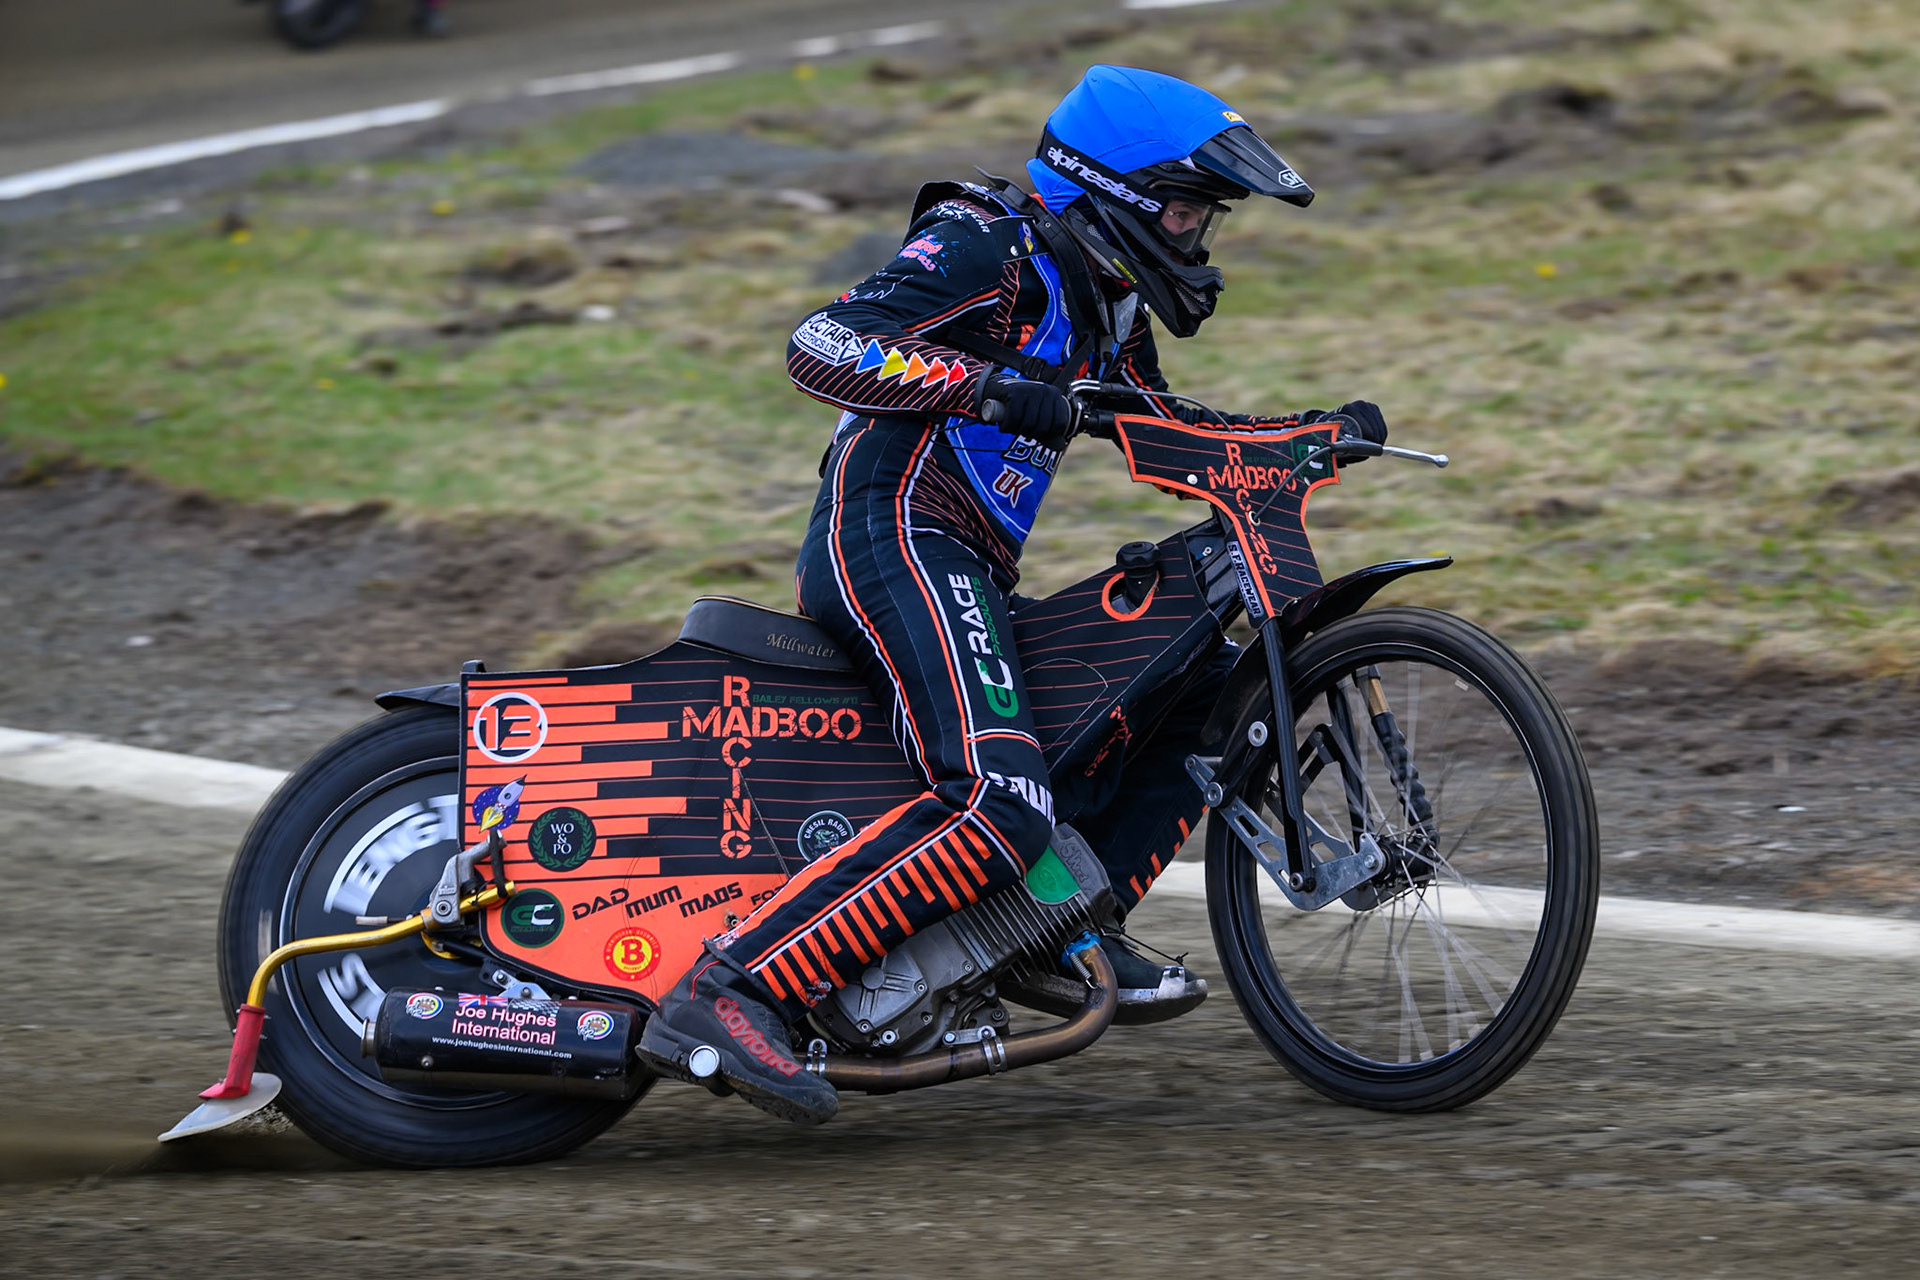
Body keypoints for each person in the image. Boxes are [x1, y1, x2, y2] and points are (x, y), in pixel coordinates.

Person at [638, 65, 1389, 1123]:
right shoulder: (989, 243)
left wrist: (1307, 438)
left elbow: (1166, 431)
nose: (1198, 241)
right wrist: (982, 384)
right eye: (1185, 213)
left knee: (1209, 686)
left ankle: (1054, 928)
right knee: (999, 798)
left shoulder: (1103, 303)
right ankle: (731, 989)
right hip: (892, 534)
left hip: (968, 564)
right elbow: (821, 344)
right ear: (1114, 192)